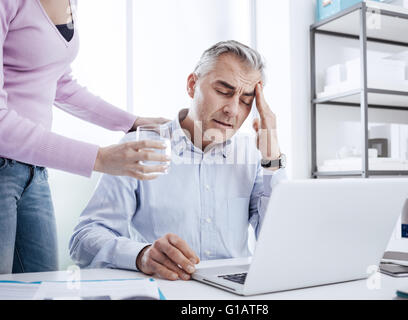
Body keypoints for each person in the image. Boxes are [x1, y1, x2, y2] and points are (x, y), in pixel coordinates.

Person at [69, 40, 287, 281]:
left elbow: (280, 242)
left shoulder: (254, 157)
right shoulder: (139, 147)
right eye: (223, 91)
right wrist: (141, 256)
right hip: (164, 290)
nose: (233, 110)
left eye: (246, 100)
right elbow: (84, 238)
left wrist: (273, 158)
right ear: (192, 85)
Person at [0, 0, 170, 274]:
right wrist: (98, 158)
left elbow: (59, 81)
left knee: (41, 286)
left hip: (32, 170)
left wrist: (130, 122)